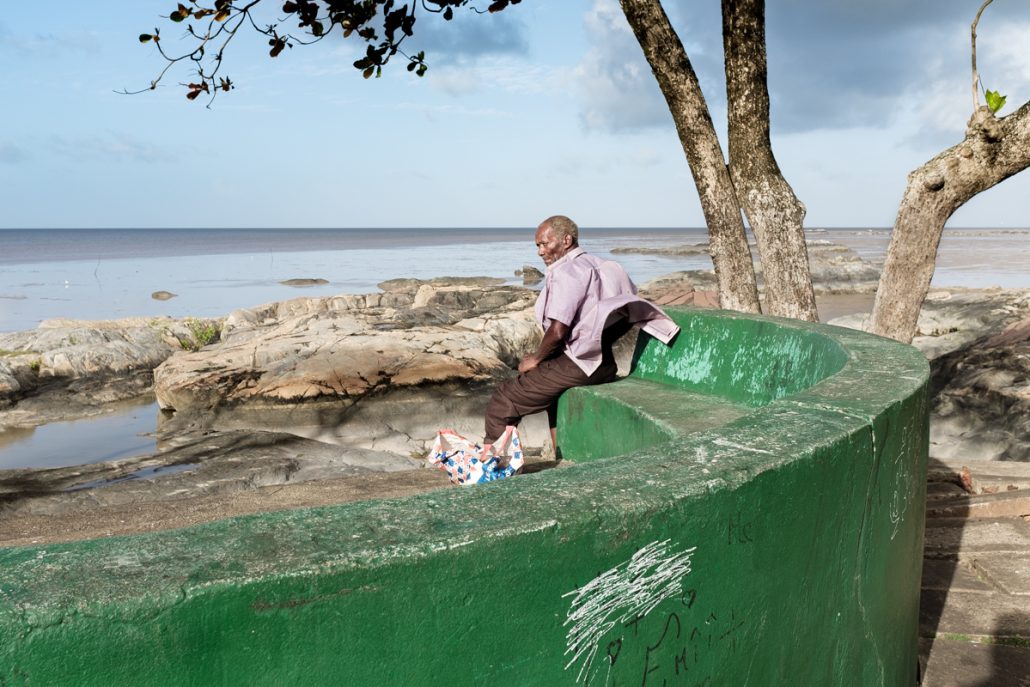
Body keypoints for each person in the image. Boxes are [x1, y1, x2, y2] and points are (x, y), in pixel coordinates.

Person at [482, 215, 680, 464]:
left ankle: (496, 469)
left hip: (576, 365)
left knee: (504, 400)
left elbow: (558, 330)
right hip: (603, 364)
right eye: (538, 246)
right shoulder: (608, 267)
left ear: (566, 240)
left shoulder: (568, 271)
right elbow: (627, 313)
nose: (541, 251)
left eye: (545, 244)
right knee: (552, 399)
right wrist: (596, 341)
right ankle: (560, 459)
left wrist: (535, 359)